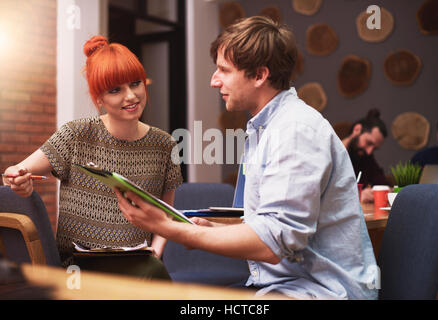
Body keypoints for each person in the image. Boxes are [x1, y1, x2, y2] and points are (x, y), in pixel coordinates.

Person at [115, 16, 378, 299]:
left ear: (259, 75)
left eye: (224, 70)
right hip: (285, 286)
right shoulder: (266, 128)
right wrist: (212, 230)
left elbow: (272, 242)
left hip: (325, 291)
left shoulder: (295, 130)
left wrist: (167, 228)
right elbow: (268, 226)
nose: (214, 81)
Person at [2, 36, 183, 279]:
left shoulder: (165, 145)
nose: (130, 96)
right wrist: (17, 180)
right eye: (115, 89)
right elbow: (15, 174)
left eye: (135, 83)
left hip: (139, 263)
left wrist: (156, 252)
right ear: (99, 99)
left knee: (152, 271)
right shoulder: (76, 135)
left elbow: (167, 212)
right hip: (77, 267)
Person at [341, 109, 390, 203]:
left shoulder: (367, 158)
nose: (369, 151)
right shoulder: (332, 154)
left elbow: (384, 184)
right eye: (368, 143)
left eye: (374, 148)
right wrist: (358, 196)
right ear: (357, 130)